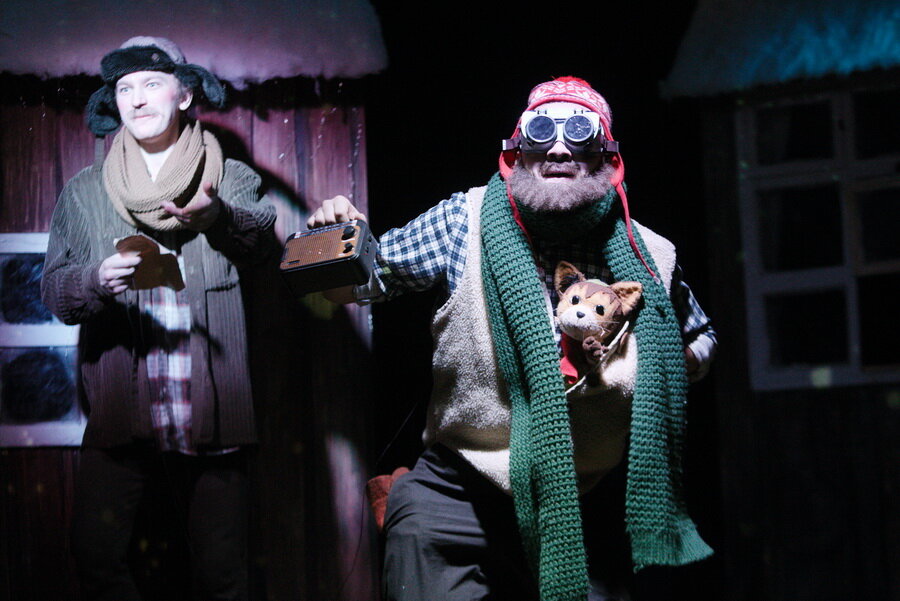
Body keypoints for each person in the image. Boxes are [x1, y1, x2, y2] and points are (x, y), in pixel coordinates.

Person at [309, 76, 717, 601]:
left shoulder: (650, 256)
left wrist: (669, 364)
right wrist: (335, 238)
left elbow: (701, 336)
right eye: (543, 131)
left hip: (582, 497)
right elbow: (357, 286)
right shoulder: (464, 221)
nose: (560, 148)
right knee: (417, 539)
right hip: (459, 487)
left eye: (580, 133)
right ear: (517, 150)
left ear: (606, 156)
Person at [41, 36, 276, 601]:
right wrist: (96, 280)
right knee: (95, 555)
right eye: (125, 88)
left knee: (222, 575)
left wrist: (218, 218)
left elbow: (264, 245)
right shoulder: (84, 192)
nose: (137, 99)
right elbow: (54, 291)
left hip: (211, 412)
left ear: (185, 95)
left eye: (152, 84)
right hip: (122, 415)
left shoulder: (228, 177)